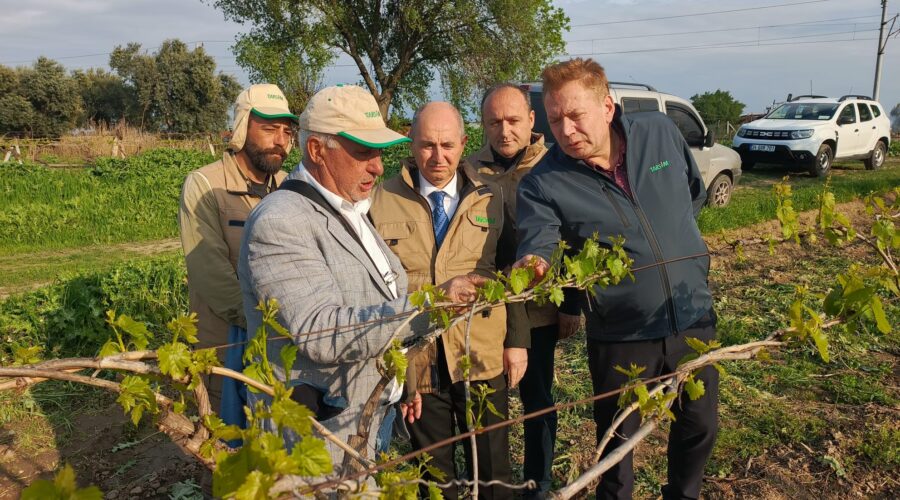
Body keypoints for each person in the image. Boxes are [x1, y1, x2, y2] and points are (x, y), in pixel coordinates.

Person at [237, 85, 485, 468]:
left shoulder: (351, 208)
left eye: (379, 152)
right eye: (363, 152)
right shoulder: (282, 221)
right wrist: (431, 305)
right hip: (317, 437)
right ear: (317, 150)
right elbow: (322, 332)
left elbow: (377, 298)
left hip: (367, 415)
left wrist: (396, 381)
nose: (378, 167)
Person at [513, 58, 718, 500]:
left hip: (691, 312)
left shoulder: (659, 132)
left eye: (575, 115)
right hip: (621, 333)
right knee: (616, 444)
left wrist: (682, 254)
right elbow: (538, 241)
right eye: (554, 120)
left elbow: (693, 193)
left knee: (699, 424)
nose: (565, 131)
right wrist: (533, 264)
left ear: (607, 107)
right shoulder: (543, 183)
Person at [370, 102, 518, 499]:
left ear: (464, 143)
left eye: (448, 145)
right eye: (427, 145)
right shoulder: (380, 201)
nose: (438, 157)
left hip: (480, 355)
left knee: (494, 473)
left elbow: (511, 272)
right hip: (419, 363)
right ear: (411, 143)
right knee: (434, 479)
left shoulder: (490, 196)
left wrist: (517, 342)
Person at [466, 84, 582, 496]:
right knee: (487, 400)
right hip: (485, 306)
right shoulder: (468, 170)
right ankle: (487, 481)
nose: (504, 130)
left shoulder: (557, 165)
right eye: (494, 122)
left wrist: (571, 304)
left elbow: (574, 238)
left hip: (539, 307)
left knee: (537, 399)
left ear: (531, 120)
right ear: (484, 125)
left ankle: (538, 482)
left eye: (513, 120)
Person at [178, 83, 297, 431]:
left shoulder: (291, 187)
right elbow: (210, 272)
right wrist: (267, 325)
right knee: (224, 443)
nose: (280, 140)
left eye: (287, 131)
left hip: (279, 348)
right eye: (269, 129)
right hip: (226, 344)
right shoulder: (205, 185)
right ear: (243, 127)